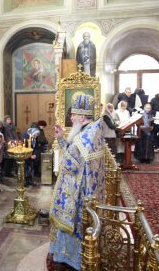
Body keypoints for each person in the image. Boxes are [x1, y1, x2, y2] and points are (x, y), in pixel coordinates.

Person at [48, 93, 105, 270]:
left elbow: (68, 166)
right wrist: (61, 138)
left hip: (77, 196)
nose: (71, 118)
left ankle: (71, 258)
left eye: (73, 114)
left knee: (73, 228)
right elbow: (75, 156)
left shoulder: (82, 137)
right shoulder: (90, 132)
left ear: (81, 116)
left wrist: (61, 150)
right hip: (87, 193)